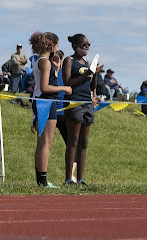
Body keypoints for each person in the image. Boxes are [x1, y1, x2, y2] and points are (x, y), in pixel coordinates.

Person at [29, 31, 72, 188]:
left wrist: (57, 68)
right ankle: (43, 181)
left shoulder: (42, 61)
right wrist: (64, 88)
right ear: (52, 45)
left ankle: (40, 180)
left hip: (42, 102)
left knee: (42, 143)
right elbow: (45, 87)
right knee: (46, 143)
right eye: (57, 46)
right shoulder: (44, 62)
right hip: (46, 102)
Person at [61, 34, 102, 186]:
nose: (86, 48)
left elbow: (92, 87)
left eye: (88, 45)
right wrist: (86, 74)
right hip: (74, 103)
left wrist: (94, 73)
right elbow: (67, 82)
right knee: (73, 141)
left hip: (87, 103)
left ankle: (81, 179)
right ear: (75, 46)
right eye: (83, 45)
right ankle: (67, 178)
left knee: (84, 143)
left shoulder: (86, 63)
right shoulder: (69, 61)